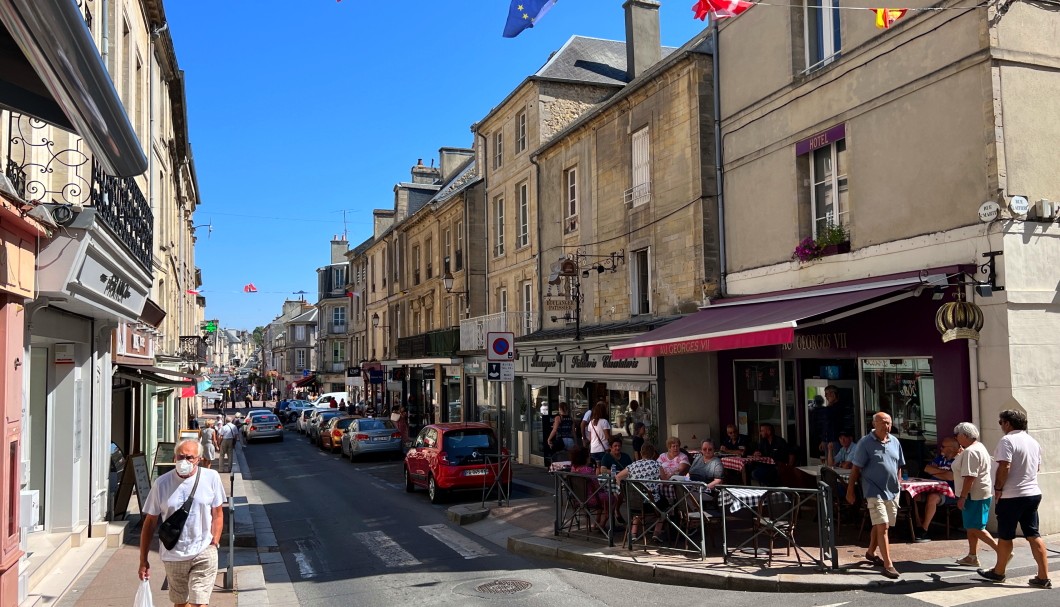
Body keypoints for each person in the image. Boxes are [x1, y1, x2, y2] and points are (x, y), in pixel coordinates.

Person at [138, 439, 226, 607]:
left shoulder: (211, 477)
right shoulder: (161, 483)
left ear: (199, 459)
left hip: (204, 550)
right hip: (173, 554)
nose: (184, 461)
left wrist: (215, 539)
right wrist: (143, 560)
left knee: (199, 603)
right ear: (174, 458)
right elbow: (150, 523)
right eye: (180, 456)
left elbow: (218, 513)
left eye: (189, 457)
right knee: (180, 603)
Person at [977, 410, 1051, 588]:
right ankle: (1043, 576)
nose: (1000, 425)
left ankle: (999, 572)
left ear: (1008, 423)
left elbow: (1005, 465)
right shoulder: (1033, 442)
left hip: (1011, 495)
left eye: (1001, 422)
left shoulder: (1007, 440)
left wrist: (998, 488)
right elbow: (1036, 467)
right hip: (1032, 493)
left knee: (1005, 536)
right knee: (1033, 534)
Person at [848, 411, 905, 579]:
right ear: (874, 424)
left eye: (888, 422)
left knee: (880, 524)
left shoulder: (895, 441)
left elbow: (899, 464)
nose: (885, 426)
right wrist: (850, 489)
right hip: (873, 491)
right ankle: (888, 565)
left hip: (892, 491)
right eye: (882, 423)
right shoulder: (865, 443)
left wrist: (899, 482)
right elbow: (856, 468)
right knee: (883, 526)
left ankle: (871, 553)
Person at [951, 422, 999, 568]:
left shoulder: (970, 451)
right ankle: (972, 556)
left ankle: (1001, 551)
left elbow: (970, 477)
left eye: (957, 435)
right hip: (980, 493)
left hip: (974, 495)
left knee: (976, 527)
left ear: (964, 435)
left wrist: (963, 497)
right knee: (971, 526)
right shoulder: (977, 447)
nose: (956, 438)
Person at [616, 442, 666, 543]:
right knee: (665, 507)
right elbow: (665, 480)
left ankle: (633, 534)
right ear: (653, 454)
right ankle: (656, 533)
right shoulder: (657, 465)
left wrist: (623, 492)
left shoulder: (633, 466)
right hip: (652, 503)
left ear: (641, 453)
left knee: (637, 510)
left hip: (634, 503)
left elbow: (618, 476)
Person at [914, 436, 961, 542]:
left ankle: (924, 530)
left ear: (952, 448)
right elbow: (927, 468)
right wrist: (943, 472)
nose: (941, 449)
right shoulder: (940, 458)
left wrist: (936, 471)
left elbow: (951, 477)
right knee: (912, 495)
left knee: (933, 497)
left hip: (950, 493)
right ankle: (918, 525)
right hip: (932, 488)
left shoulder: (958, 461)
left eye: (943, 447)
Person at [569, 446, 616, 529]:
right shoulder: (588, 470)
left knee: (602, 496)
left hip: (577, 499)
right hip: (591, 499)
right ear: (585, 458)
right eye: (588, 456)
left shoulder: (573, 469)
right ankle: (603, 521)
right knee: (612, 497)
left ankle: (597, 522)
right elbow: (597, 486)